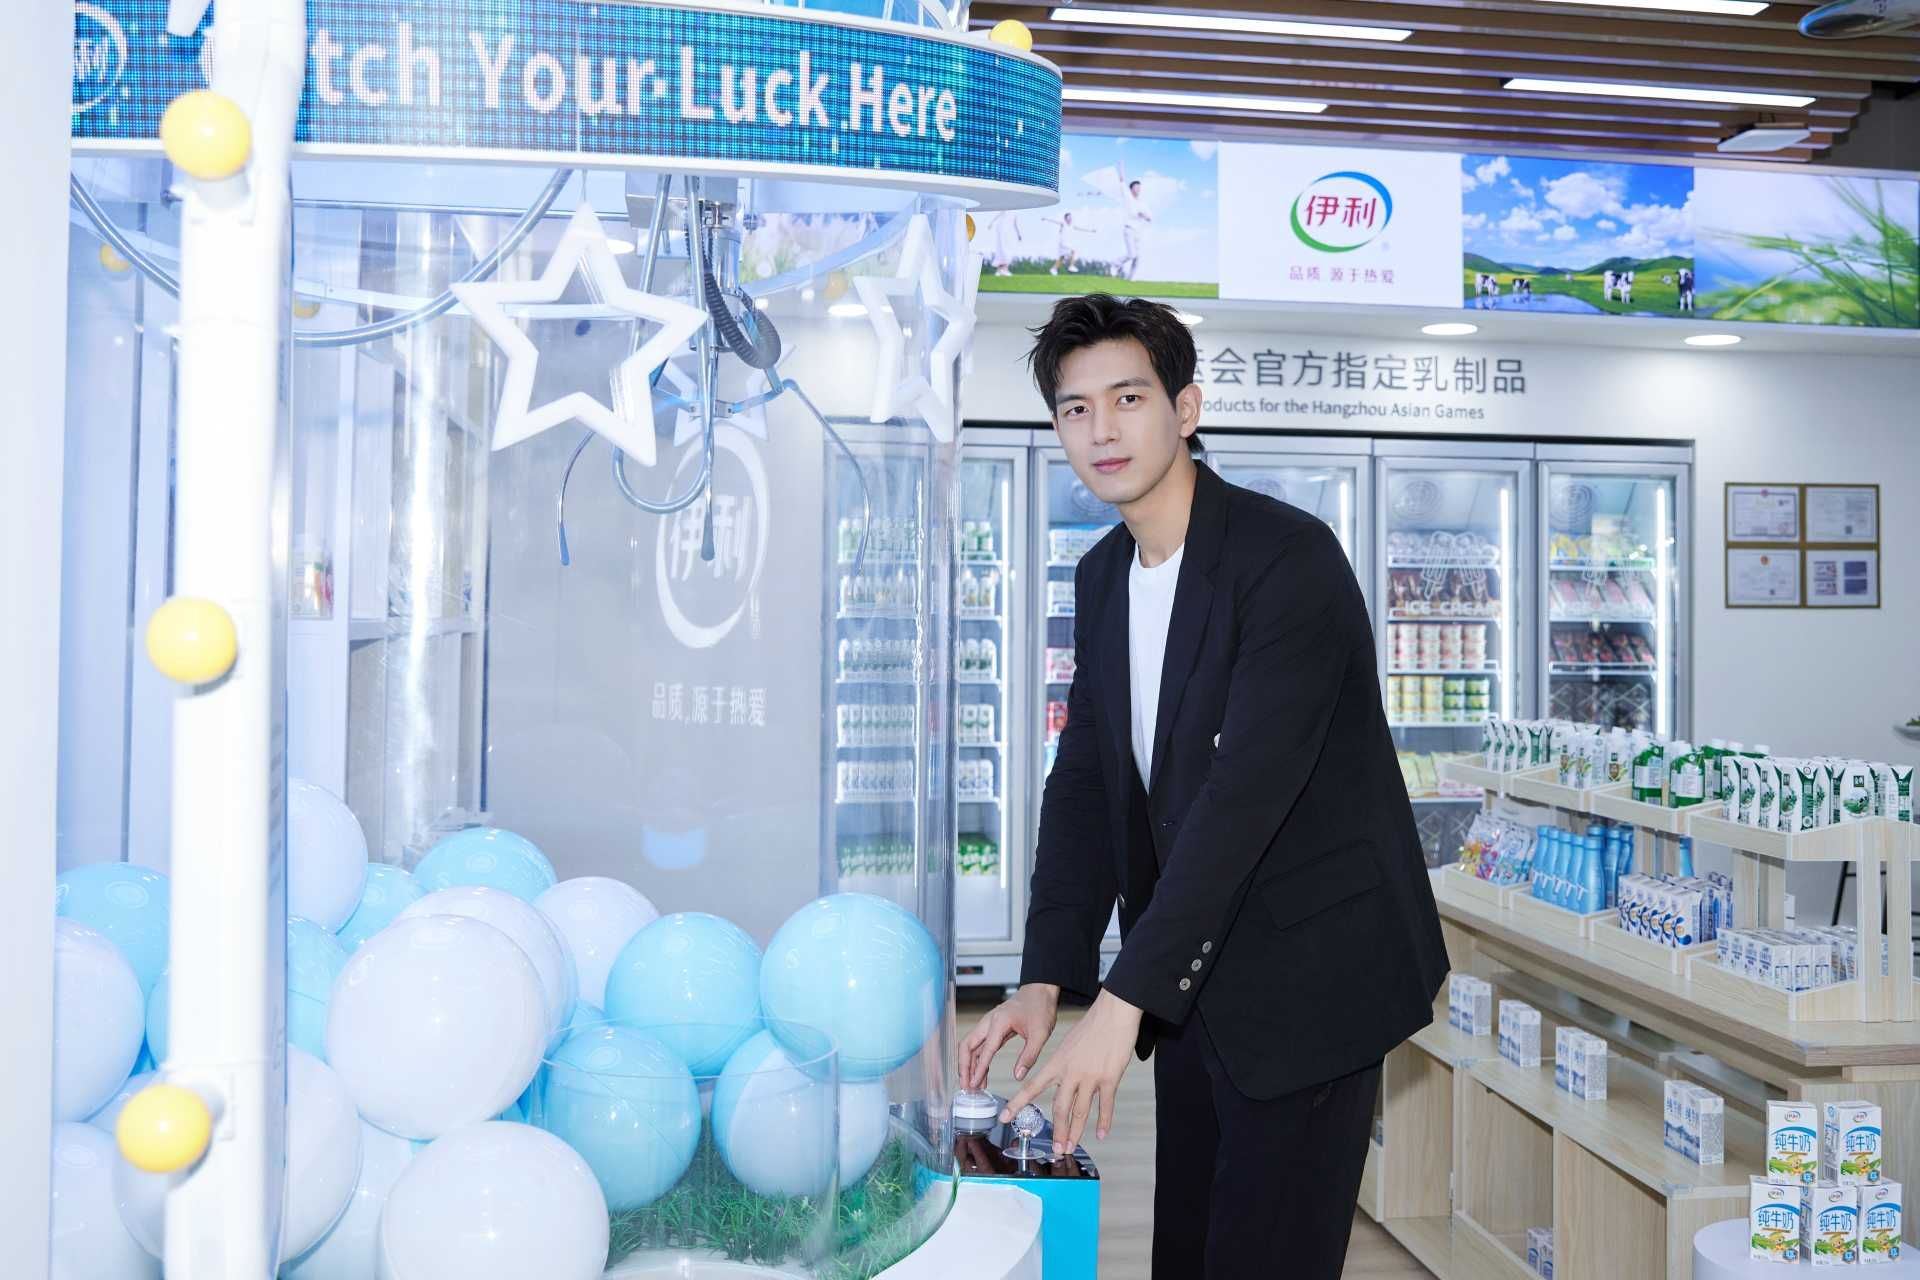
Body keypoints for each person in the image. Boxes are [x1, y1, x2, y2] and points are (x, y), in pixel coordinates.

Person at [960, 295, 1448, 1279]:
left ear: (1185, 409)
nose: (1102, 429)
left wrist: (1121, 1000)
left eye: (1128, 398)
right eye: (1076, 409)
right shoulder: (1103, 576)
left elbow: (1242, 798)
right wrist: (1048, 974)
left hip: (1313, 979)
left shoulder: (1287, 560)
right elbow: (1087, 778)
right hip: (1194, 978)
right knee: (1186, 1248)